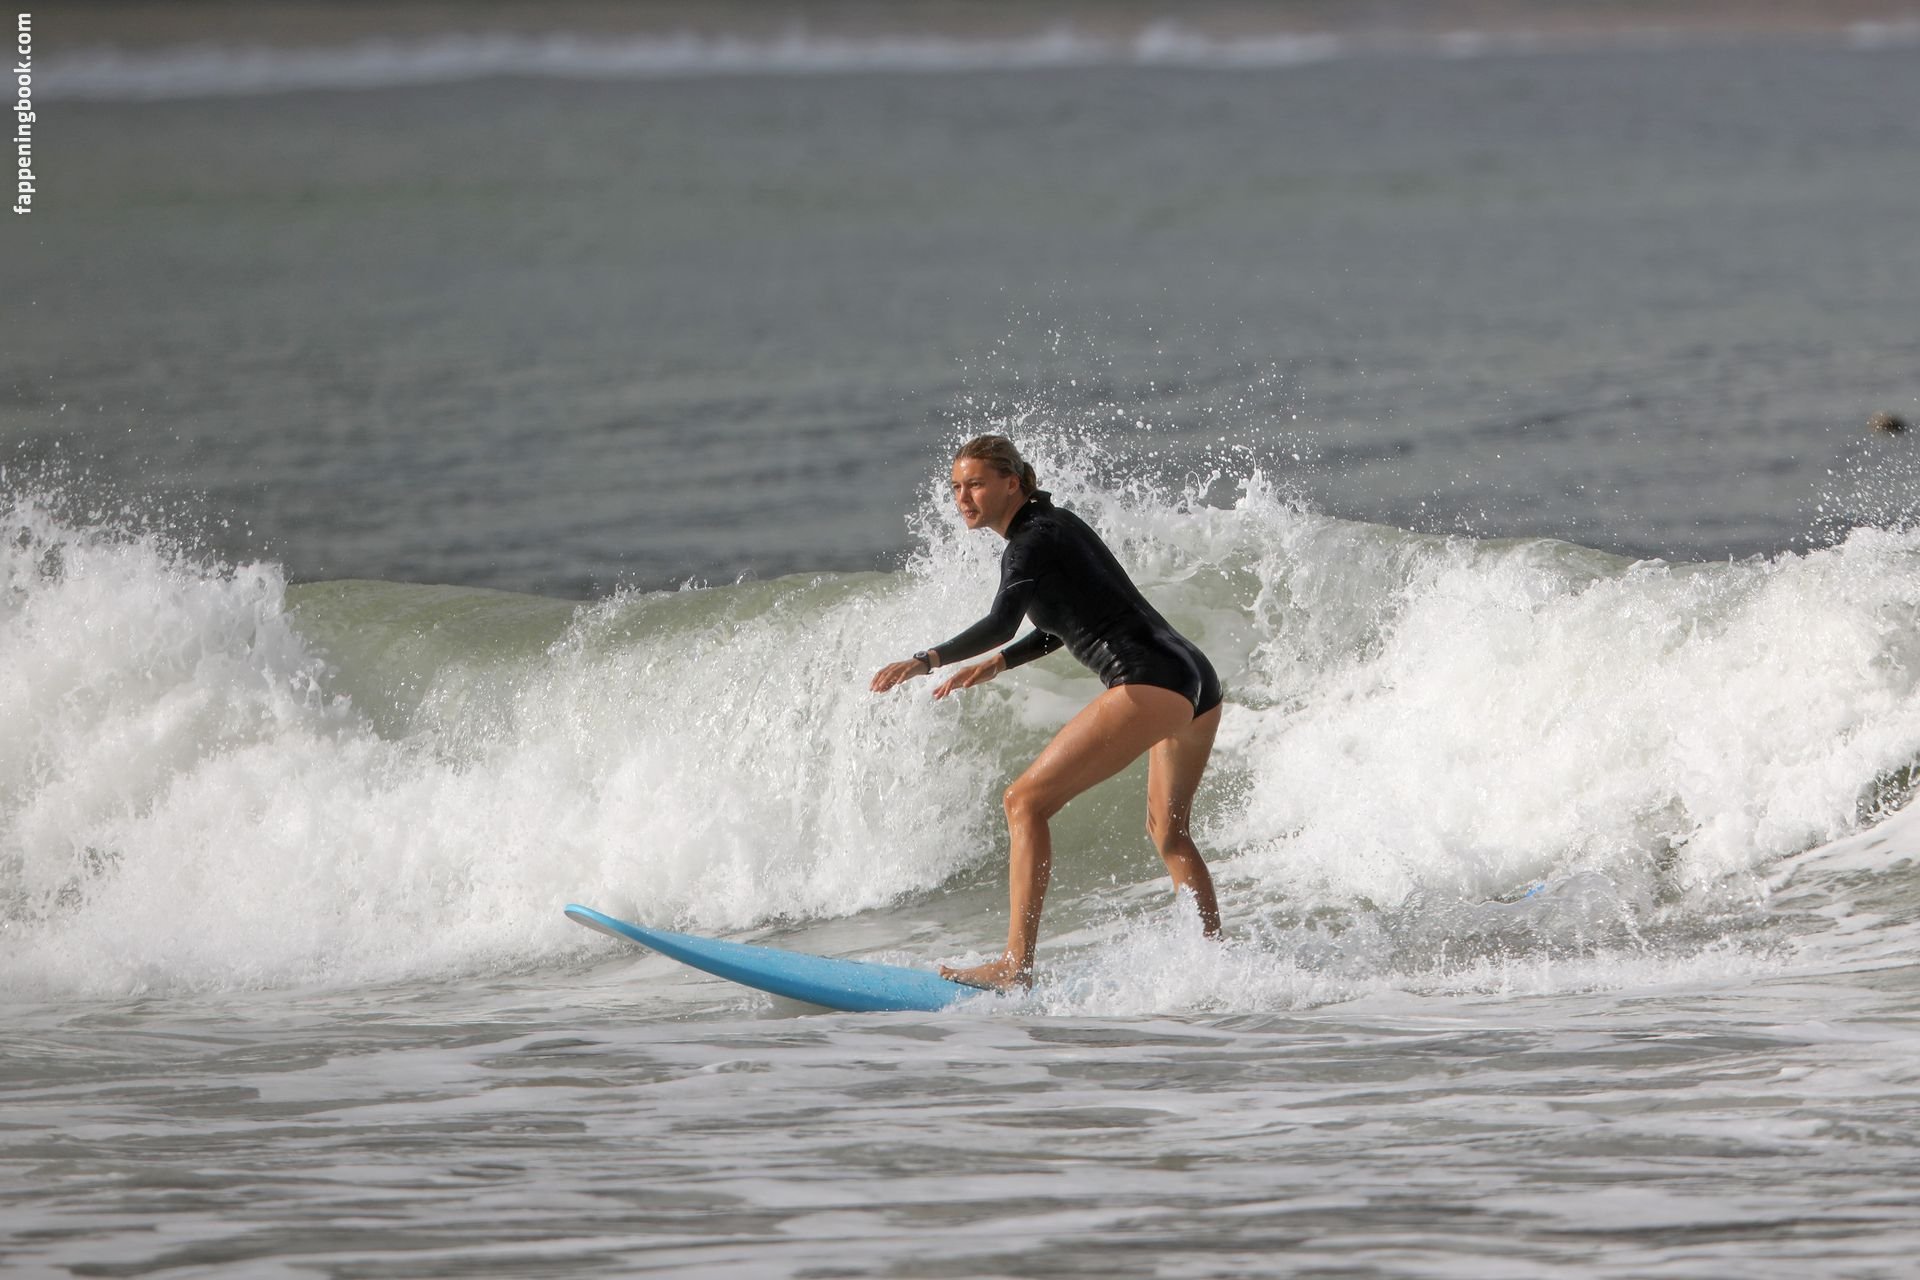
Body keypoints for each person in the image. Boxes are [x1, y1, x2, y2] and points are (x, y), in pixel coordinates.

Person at [870, 435, 1224, 990]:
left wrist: (927, 660)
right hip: (1194, 678)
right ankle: (1215, 965)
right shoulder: (1056, 525)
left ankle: (1016, 966)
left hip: (1149, 678)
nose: (963, 498)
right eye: (956, 487)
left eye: (976, 484)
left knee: (1024, 802)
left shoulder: (1027, 544)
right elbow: (1071, 618)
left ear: (1012, 483)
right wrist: (1000, 663)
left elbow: (1001, 622)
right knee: (1169, 833)